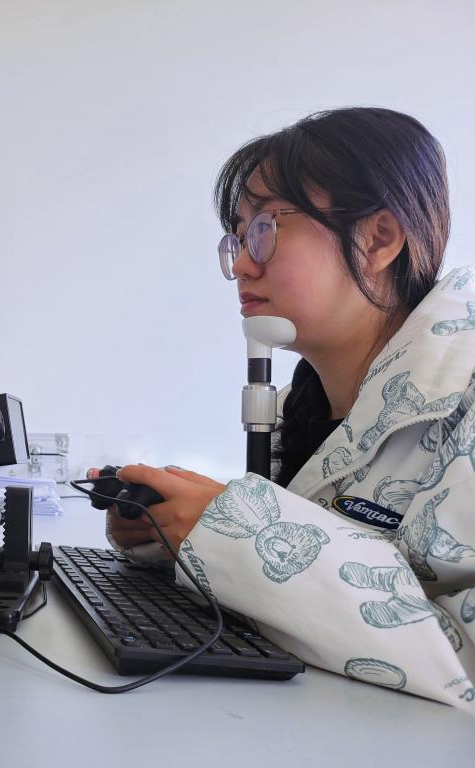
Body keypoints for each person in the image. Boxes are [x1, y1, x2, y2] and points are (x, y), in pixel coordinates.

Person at [99, 107, 475, 712]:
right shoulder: (303, 408)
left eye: (265, 228)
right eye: (238, 237)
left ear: (379, 238)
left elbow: (465, 664)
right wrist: (172, 533)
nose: (241, 265)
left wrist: (233, 534)